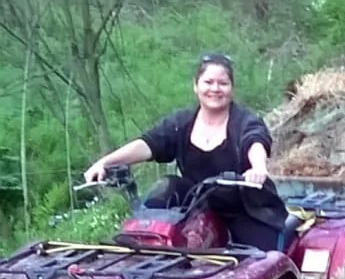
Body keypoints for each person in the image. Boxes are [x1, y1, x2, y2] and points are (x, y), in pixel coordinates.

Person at [83, 53, 289, 251]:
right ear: (196, 85)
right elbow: (149, 143)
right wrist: (105, 162)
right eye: (208, 82)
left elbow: (255, 141)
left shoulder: (243, 121)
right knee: (167, 187)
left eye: (223, 83)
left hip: (246, 208)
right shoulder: (182, 122)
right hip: (197, 205)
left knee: (262, 260)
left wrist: (258, 168)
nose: (215, 89)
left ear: (231, 88)